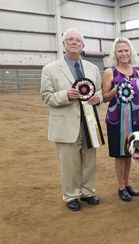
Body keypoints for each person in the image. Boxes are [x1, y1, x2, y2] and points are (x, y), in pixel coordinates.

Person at [40, 28, 102, 211]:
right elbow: (46, 96)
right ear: (64, 44)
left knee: (89, 160)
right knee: (69, 163)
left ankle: (88, 191)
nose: (74, 42)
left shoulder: (93, 68)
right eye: (70, 40)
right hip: (65, 123)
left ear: (83, 45)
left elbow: (98, 90)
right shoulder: (50, 69)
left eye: (77, 40)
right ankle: (71, 195)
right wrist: (65, 95)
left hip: (90, 123)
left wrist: (98, 98)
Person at [102, 37, 139, 202]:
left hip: (134, 119)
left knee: (129, 153)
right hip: (116, 120)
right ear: (116, 53)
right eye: (120, 51)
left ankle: (127, 184)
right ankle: (120, 186)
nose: (124, 53)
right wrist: (117, 89)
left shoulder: (137, 73)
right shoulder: (109, 72)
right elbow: (105, 97)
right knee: (119, 154)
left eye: (126, 50)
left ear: (130, 52)